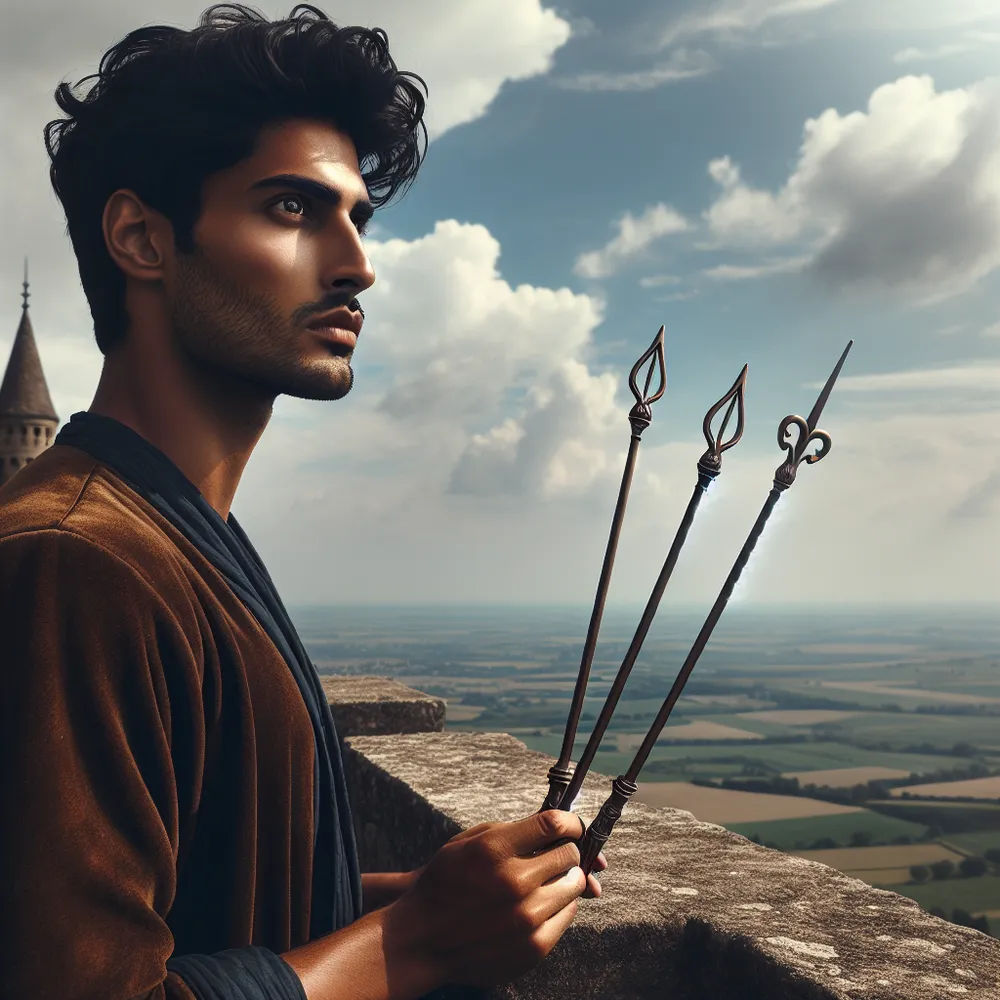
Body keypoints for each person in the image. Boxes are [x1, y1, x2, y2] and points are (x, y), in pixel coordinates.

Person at [0, 5, 606, 1000]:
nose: (357, 263)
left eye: (357, 218)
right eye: (292, 208)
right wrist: (408, 945)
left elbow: (178, 902)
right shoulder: (78, 560)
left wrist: (418, 903)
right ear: (142, 237)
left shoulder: (170, 537)